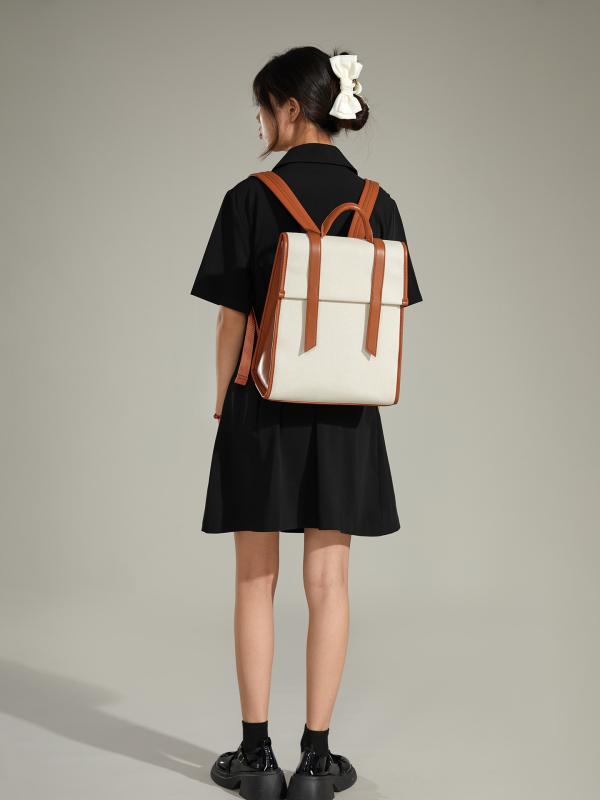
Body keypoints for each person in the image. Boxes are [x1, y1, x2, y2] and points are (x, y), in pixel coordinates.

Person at [190, 46, 423, 800]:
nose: (259, 122)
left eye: (263, 108)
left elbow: (232, 319)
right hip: (347, 410)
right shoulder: (380, 203)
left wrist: (223, 399)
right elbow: (389, 312)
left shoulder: (249, 197)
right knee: (330, 581)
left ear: (291, 108)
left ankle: (256, 758)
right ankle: (317, 763)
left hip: (261, 401)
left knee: (254, 579)